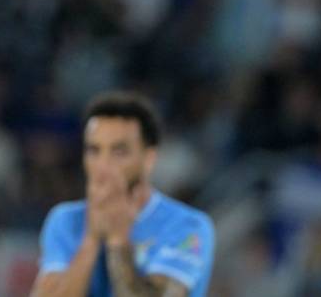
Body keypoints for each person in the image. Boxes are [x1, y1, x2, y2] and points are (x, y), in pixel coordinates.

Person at [31, 92, 215, 297]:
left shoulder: (187, 226)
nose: (103, 165)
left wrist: (118, 241)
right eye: (94, 150)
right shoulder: (65, 220)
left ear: (149, 158)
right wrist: (91, 239)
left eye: (119, 152)